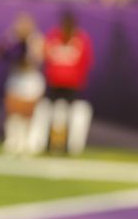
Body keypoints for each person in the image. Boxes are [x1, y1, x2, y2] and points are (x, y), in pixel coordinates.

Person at [32, 10, 94, 155]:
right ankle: (47, 144)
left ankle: (67, 145)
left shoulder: (81, 39)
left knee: (69, 115)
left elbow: (86, 61)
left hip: (71, 84)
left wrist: (78, 79)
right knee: (49, 113)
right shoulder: (53, 36)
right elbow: (46, 55)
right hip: (55, 82)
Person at [0, 13, 45, 156]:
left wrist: (23, 52)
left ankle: (27, 141)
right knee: (13, 112)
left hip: (30, 79)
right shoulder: (11, 39)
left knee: (27, 113)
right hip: (16, 78)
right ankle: (12, 141)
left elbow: (33, 62)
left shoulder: (36, 40)